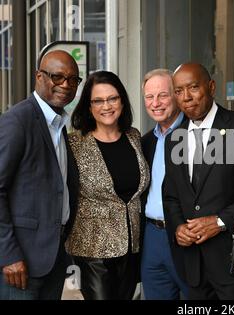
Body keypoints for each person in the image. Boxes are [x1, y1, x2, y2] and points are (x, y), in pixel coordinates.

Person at [163, 63, 234, 299]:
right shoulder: (173, 139)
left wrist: (219, 221)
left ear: (211, 87)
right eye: (178, 91)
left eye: (193, 87)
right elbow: (171, 195)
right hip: (193, 265)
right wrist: (177, 227)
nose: (186, 97)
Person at [0, 50, 81, 300]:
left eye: (73, 79)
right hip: (20, 263)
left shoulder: (58, 123)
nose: (66, 85)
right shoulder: (18, 120)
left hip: (53, 257)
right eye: (57, 77)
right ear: (39, 77)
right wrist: (9, 255)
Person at [66, 71, 150, 300]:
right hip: (92, 252)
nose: (107, 106)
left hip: (131, 248)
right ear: (88, 106)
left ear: (122, 100)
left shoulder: (134, 137)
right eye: (98, 100)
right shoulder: (74, 144)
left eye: (112, 98)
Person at [140, 69, 189, 299]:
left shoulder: (196, 132)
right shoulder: (145, 142)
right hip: (153, 237)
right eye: (149, 97)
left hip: (187, 234)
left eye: (163, 95)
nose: (155, 103)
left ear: (176, 96)